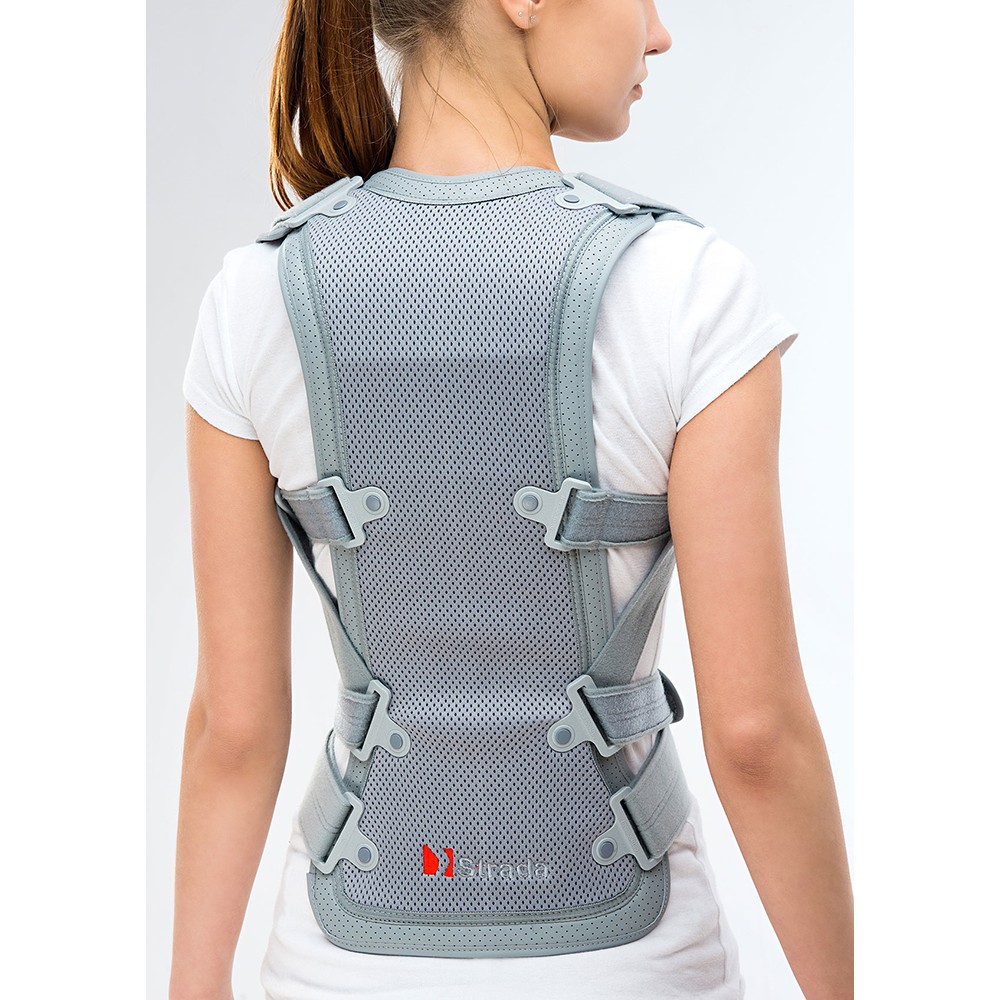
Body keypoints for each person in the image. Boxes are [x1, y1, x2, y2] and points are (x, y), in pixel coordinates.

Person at [171, 0, 854, 997]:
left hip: (344, 957)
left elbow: (232, 732)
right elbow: (757, 740)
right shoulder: (688, 287)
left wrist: (192, 984)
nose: (658, 33)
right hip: (629, 962)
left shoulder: (253, 297)